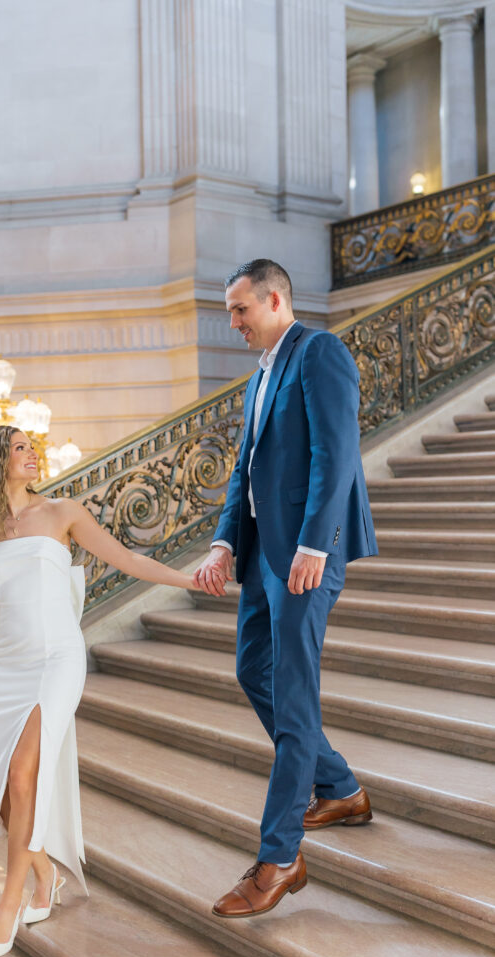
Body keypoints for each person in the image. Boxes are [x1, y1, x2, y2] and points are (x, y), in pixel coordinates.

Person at [0, 424, 199, 957]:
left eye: (32, 448)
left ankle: (7, 906)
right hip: (5, 667)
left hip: (57, 660)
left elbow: (128, 561)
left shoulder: (64, 512)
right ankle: (45, 876)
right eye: (20, 449)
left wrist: (191, 580)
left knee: (22, 776)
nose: (32, 455)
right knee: (4, 795)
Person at [195, 259, 377, 919]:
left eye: (240, 309)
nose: (233, 321)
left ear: (274, 299)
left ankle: (279, 858)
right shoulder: (261, 374)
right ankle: (340, 787)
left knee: (293, 701)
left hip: (304, 553)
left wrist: (312, 544)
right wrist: (221, 543)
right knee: (253, 672)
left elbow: (337, 453)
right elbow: (244, 472)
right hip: (262, 552)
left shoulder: (318, 352)